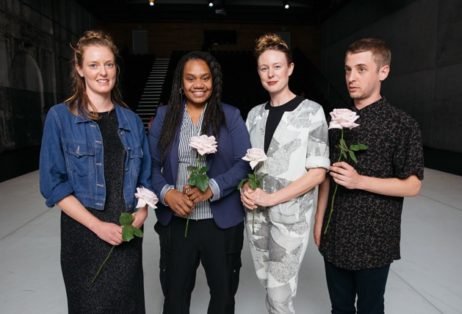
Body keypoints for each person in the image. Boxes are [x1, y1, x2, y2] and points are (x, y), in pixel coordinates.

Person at [39, 30, 151, 313]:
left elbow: (145, 180)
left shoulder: (132, 121)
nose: (103, 72)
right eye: (94, 65)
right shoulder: (60, 117)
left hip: (125, 234)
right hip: (84, 237)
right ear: (79, 69)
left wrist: (141, 213)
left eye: (109, 64)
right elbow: (53, 185)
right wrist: (97, 226)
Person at [314, 38, 424, 313]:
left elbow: (412, 185)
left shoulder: (402, 124)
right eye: (348, 70)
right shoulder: (337, 121)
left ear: (383, 72)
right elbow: (328, 176)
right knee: (339, 307)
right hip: (336, 234)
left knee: (371, 308)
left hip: (375, 238)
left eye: (361, 69)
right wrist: (319, 223)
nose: (351, 78)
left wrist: (359, 181)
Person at [148, 51, 251, 314]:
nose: (198, 84)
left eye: (205, 78)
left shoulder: (230, 115)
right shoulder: (165, 115)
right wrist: (166, 193)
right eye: (191, 78)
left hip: (221, 222)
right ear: (180, 83)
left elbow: (244, 162)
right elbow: (149, 163)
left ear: (213, 81)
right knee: (175, 297)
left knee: (223, 296)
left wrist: (213, 187)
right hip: (177, 220)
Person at [241, 33, 330, 314]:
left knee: (280, 295)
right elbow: (248, 165)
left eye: (277, 66)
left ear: (290, 68)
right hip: (256, 217)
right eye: (264, 68)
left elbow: (317, 173)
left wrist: (272, 198)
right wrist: (245, 189)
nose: (270, 73)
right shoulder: (254, 114)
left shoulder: (312, 112)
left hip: (290, 220)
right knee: (268, 285)